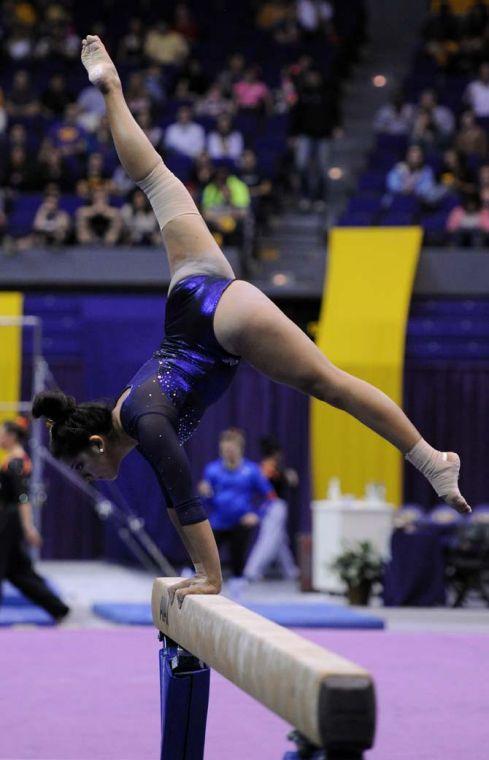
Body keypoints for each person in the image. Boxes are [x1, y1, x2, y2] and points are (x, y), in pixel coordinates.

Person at [32, 35, 470, 607]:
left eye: (82, 467)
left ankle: (431, 459)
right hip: (191, 291)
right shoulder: (127, 411)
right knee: (157, 181)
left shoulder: (141, 421)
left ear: (97, 442)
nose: (87, 477)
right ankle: (113, 88)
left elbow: (182, 495)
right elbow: (175, 494)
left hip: (220, 325)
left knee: (329, 384)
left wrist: (209, 576)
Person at [0, 419, 70, 621]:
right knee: (17, 572)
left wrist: (28, 526)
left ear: (12, 436)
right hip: (9, 518)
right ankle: (58, 608)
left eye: (2, 433)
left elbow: (22, 498)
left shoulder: (16, 462)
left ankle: (58, 607)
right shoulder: (13, 460)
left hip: (10, 520)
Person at [199, 429, 274, 584]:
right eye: (225, 451)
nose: (229, 454)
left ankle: (237, 590)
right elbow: (207, 501)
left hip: (241, 522)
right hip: (217, 522)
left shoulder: (252, 471)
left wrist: (257, 514)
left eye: (232, 450)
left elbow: (269, 497)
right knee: (205, 557)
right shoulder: (212, 470)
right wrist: (205, 494)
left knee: (238, 560)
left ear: (240, 449)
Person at [244, 436, 299, 582]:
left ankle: (290, 571)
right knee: (269, 539)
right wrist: (288, 477)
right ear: (276, 452)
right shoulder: (270, 467)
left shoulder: (266, 466)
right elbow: (286, 482)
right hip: (274, 505)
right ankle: (252, 570)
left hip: (271, 505)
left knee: (281, 541)